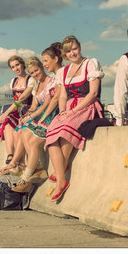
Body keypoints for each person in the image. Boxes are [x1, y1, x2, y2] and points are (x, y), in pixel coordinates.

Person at [45, 36, 104, 202]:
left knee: (64, 131)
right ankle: (62, 168)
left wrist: (73, 112)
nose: (72, 53)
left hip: (87, 106)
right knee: (51, 133)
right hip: (69, 108)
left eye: (75, 49)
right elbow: (63, 95)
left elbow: (92, 94)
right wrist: (63, 111)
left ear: (80, 47)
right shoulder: (63, 72)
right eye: (68, 51)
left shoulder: (90, 63)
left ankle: (60, 179)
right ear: (64, 54)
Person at [13, 44, 64, 192]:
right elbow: (34, 106)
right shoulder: (36, 84)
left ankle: (27, 176)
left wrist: (35, 117)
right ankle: (37, 167)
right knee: (22, 132)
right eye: (32, 72)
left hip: (50, 114)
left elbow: (48, 104)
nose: (35, 74)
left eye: (36, 70)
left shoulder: (52, 80)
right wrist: (27, 116)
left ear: (41, 67)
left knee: (34, 142)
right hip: (42, 113)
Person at [0, 56, 44, 175]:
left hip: (28, 109)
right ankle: (10, 155)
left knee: (16, 128)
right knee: (7, 122)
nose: (16, 68)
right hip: (18, 111)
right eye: (13, 67)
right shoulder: (13, 81)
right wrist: (7, 114)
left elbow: (22, 97)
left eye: (17, 65)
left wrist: (6, 112)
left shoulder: (30, 79)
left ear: (22, 64)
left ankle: (19, 163)